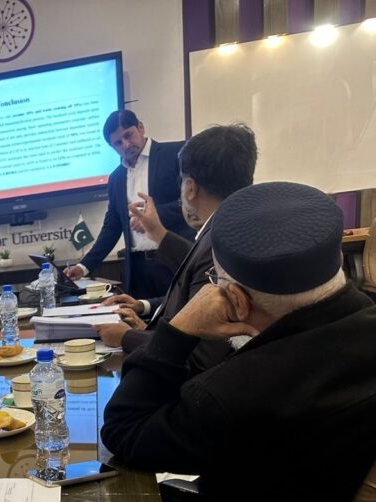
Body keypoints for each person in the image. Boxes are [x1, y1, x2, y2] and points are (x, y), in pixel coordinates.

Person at [101, 182, 376, 502]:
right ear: (337, 260)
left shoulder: (234, 392)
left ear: (237, 301)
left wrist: (178, 330)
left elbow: (123, 431)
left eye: (214, 282)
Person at [97, 124, 258, 375]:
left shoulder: (219, 247)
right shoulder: (238, 230)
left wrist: (126, 336)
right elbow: (190, 292)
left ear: (190, 189)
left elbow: (199, 355)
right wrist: (143, 307)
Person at [65, 110, 195, 298]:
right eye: (118, 143)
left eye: (128, 135)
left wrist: (153, 217)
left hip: (175, 260)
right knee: (142, 316)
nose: (126, 144)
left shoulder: (176, 153)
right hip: (137, 269)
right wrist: (83, 266)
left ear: (140, 127)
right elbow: (112, 228)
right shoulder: (116, 178)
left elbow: (193, 201)